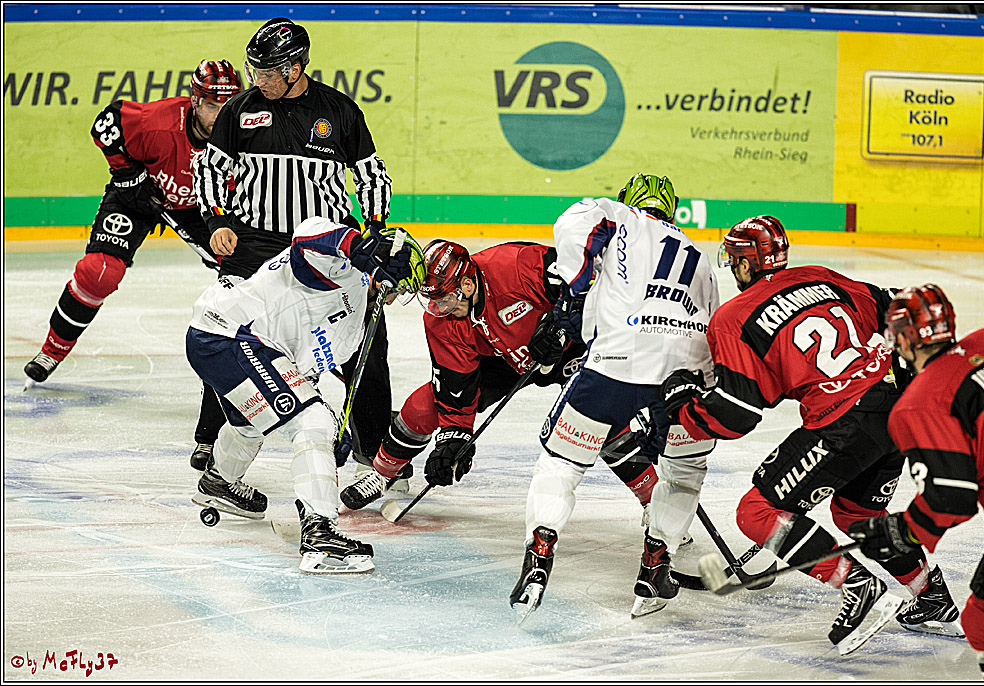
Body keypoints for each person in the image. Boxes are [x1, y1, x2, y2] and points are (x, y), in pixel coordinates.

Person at [657, 216, 961, 649]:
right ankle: (931, 597)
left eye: (735, 258)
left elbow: (736, 415)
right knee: (856, 513)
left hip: (845, 421)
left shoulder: (734, 317)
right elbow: (896, 306)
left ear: (744, 263)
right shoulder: (819, 276)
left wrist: (682, 404)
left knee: (756, 512)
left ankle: (856, 583)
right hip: (895, 407)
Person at [508, 173, 720, 622]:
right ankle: (655, 566)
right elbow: (714, 329)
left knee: (563, 462)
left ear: (630, 199)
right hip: (688, 375)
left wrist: (575, 293)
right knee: (684, 473)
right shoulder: (700, 258)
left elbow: (573, 223)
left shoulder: (620, 216)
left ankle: (540, 555)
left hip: (618, 361)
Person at [189, 17, 395, 474]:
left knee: (366, 345)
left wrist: (374, 233)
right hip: (254, 244)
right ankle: (212, 439)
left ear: (295, 68)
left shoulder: (339, 111)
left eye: (267, 71)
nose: (257, 79)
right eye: (254, 70)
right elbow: (209, 169)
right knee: (226, 332)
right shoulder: (240, 110)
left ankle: (376, 455)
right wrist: (217, 220)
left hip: (325, 249)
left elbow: (371, 176)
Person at [339, 233, 664, 519]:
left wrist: (562, 326)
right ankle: (382, 474)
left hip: (573, 347)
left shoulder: (517, 265)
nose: (439, 309)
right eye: (433, 301)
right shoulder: (442, 320)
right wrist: (454, 442)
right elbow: (455, 388)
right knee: (427, 404)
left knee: (597, 414)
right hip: (506, 359)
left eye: (445, 300)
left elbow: (589, 284)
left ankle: (656, 504)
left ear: (467, 285)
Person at [185, 216, 422, 574]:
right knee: (312, 421)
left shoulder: (355, 327)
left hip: (241, 344)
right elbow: (307, 235)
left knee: (258, 421)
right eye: (399, 286)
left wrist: (332, 435)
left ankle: (219, 481)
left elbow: (302, 374)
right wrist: (360, 247)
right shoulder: (342, 267)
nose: (395, 296)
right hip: (228, 331)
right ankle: (320, 533)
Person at [23, 60, 242, 385]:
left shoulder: (245, 135)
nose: (221, 116)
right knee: (99, 271)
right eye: (212, 105)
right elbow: (106, 123)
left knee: (245, 270)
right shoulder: (158, 122)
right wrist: (127, 173)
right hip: (140, 192)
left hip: (203, 207)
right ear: (195, 101)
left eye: (228, 106)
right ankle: (51, 352)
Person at [849, 285, 984, 680]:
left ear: (905, 338)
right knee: (980, 621)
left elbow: (951, 499)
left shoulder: (920, 402)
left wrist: (900, 532)